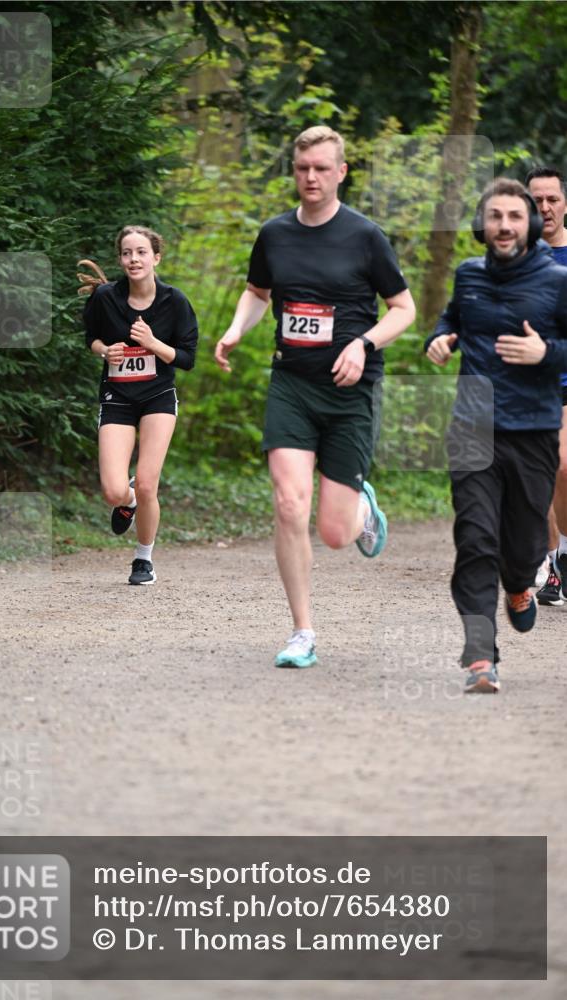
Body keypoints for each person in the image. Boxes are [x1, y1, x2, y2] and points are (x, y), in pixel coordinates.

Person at [214, 125, 416, 668]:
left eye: (322, 168)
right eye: (303, 168)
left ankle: (362, 510)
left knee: (334, 532)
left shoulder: (365, 236)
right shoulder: (274, 234)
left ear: (341, 172)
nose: (311, 177)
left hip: (350, 392)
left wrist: (363, 344)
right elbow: (257, 293)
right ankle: (302, 631)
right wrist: (236, 329)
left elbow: (404, 309)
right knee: (289, 503)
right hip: (292, 384)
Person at [425, 178, 567, 694]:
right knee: (475, 538)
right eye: (495, 216)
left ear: (530, 224)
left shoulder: (557, 281)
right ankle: (480, 657)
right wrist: (439, 339)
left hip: (533, 430)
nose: (504, 226)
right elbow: (452, 318)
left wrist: (546, 354)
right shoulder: (468, 274)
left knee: (525, 546)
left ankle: (521, 583)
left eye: (514, 216)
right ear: (481, 226)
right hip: (473, 426)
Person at [82, 225, 197, 585]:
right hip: (117, 397)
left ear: (156, 258)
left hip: (157, 397)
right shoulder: (105, 297)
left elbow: (187, 358)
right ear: (120, 259)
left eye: (141, 252)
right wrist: (105, 350)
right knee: (113, 491)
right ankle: (127, 501)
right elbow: (91, 338)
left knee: (148, 484)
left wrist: (153, 342)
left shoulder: (174, 301)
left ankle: (143, 559)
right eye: (127, 253)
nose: (134, 259)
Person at [526, 167, 567, 606]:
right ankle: (555, 564)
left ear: (565, 203)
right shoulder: (516, 258)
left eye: (552, 198)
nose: (545, 207)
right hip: (527, 383)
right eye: (537, 201)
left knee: (562, 465)